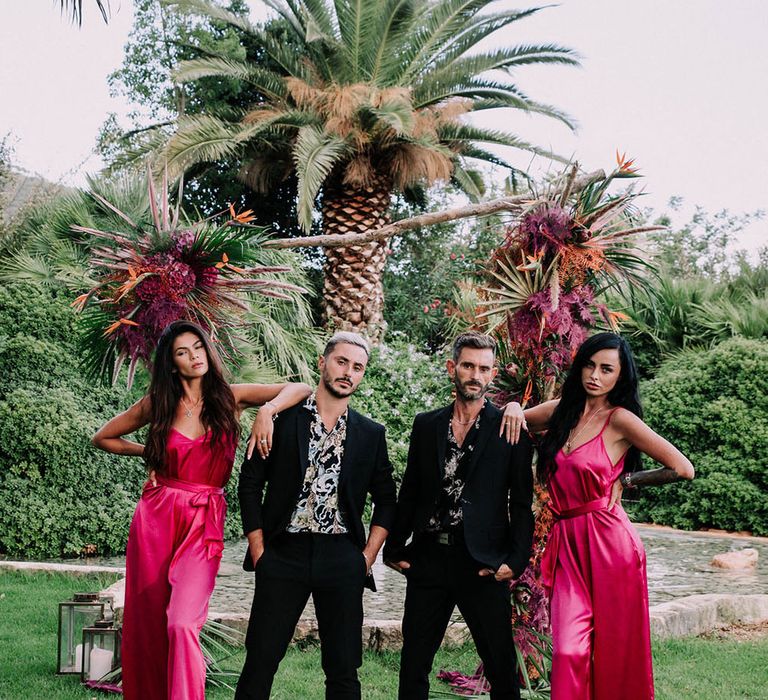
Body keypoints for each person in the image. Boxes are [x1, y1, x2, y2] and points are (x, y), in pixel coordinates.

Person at [92, 320, 312, 700]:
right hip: (156, 518)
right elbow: (104, 437)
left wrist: (268, 411)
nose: (194, 356)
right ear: (172, 363)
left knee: (181, 623)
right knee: (148, 622)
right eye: (183, 352)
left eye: (198, 347)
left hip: (202, 520)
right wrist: (148, 451)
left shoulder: (231, 396)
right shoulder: (159, 404)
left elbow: (302, 387)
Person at [501, 331, 695, 700]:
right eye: (590, 365)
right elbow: (513, 420)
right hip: (567, 545)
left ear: (619, 377)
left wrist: (629, 478)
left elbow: (682, 468)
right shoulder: (561, 412)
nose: (595, 375)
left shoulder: (621, 420)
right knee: (568, 650)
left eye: (607, 369)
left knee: (615, 652)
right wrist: (512, 406)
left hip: (612, 547)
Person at [235, 331, 397, 700]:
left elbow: (387, 500)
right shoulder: (281, 420)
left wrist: (367, 557)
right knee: (260, 660)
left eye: (358, 367)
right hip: (282, 554)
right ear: (323, 363)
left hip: (342, 558)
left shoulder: (370, 434)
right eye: (342, 362)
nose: (348, 373)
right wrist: (260, 550)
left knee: (343, 669)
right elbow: (249, 485)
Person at [383, 332, 534, 700]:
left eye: (483, 368)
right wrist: (393, 549)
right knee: (414, 664)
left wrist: (515, 561)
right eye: (468, 365)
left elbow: (521, 504)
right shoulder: (426, 425)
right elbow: (411, 492)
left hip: (482, 564)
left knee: (500, 666)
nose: (475, 374)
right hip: (430, 559)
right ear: (453, 368)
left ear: (492, 374)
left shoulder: (508, 429)